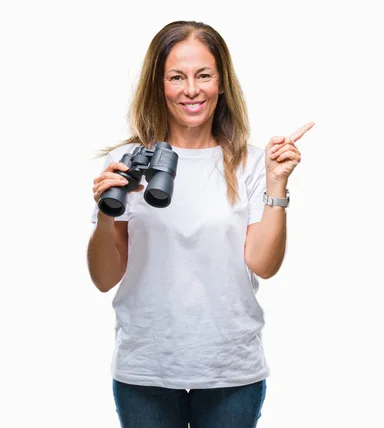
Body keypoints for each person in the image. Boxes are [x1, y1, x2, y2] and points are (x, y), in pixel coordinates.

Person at [87, 20, 314, 428]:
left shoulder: (251, 162)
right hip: (147, 366)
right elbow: (104, 278)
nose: (191, 89)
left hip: (229, 368)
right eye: (177, 77)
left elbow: (263, 264)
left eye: (203, 75)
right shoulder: (126, 161)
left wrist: (276, 183)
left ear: (221, 82)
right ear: (159, 86)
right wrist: (106, 216)